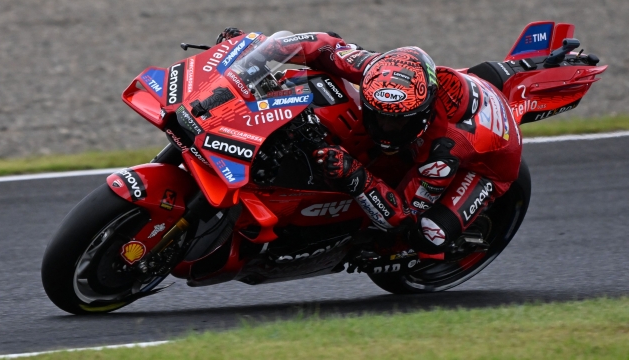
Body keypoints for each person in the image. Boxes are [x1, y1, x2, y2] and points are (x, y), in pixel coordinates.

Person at [217, 28, 522, 258]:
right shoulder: (379, 70)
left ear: (422, 114)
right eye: (379, 115)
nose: (385, 126)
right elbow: (326, 46)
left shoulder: (443, 152)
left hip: (490, 165)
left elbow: (403, 214)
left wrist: (356, 177)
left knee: (426, 235)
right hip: (453, 103)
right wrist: (260, 50)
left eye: (398, 121)